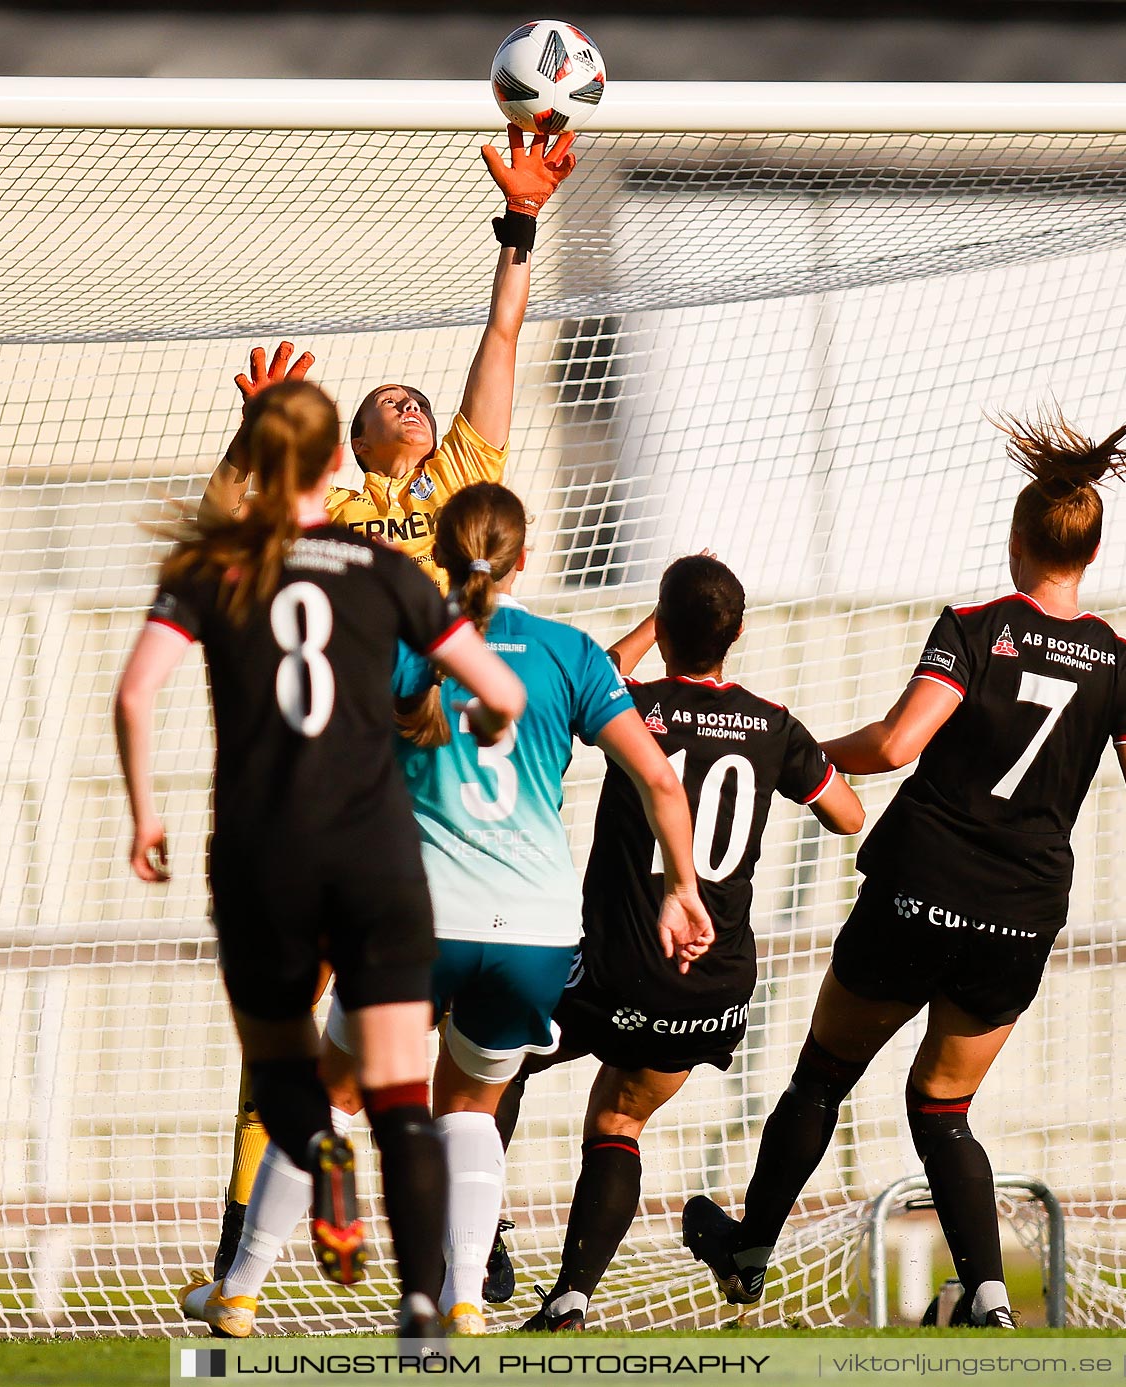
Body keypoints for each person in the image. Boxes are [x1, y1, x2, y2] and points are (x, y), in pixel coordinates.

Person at [679, 407, 1126, 1328]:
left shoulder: (977, 628)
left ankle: (750, 1252)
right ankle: (987, 1293)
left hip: (918, 891)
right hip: (1018, 919)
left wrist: (807, 757)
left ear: (1018, 539)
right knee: (942, 1108)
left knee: (823, 1074)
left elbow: (900, 741)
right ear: (1091, 556)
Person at [175, 483, 714, 1339]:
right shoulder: (571, 653)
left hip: (414, 919)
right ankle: (465, 1297)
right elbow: (657, 778)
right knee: (467, 1106)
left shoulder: (393, 647)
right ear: (523, 557)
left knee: (332, 1094)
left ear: (436, 548)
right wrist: (681, 888)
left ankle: (238, 1289)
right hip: (534, 930)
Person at [198, 123, 577, 1284]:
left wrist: (521, 226)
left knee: (459, 1023)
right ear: (355, 440)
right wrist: (259, 434)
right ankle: (254, 1240)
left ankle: (470, 1236)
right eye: (388, 399)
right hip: (360, 782)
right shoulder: (338, 512)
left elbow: (503, 334)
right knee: (304, 1024)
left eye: (421, 395)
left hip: (458, 795)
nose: (411, 402)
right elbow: (228, 529)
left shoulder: (469, 486)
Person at [116, 380, 526, 1339]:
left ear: (267, 460)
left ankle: (313, 1162)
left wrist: (144, 816)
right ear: (338, 462)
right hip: (378, 842)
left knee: (284, 1056)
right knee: (394, 1082)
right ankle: (426, 1298)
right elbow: (497, 687)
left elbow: (136, 695)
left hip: (265, 848)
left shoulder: (222, 564)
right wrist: (476, 718)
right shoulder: (385, 569)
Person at [496, 554, 865, 1333]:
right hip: (711, 986)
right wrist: (789, 759)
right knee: (618, 1119)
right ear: (737, 632)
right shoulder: (774, 725)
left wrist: (645, 634)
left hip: (615, 970)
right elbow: (848, 813)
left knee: (492, 1053)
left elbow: (584, 680)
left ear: (664, 627)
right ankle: (569, 1297)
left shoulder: (637, 708)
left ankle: (482, 1231)